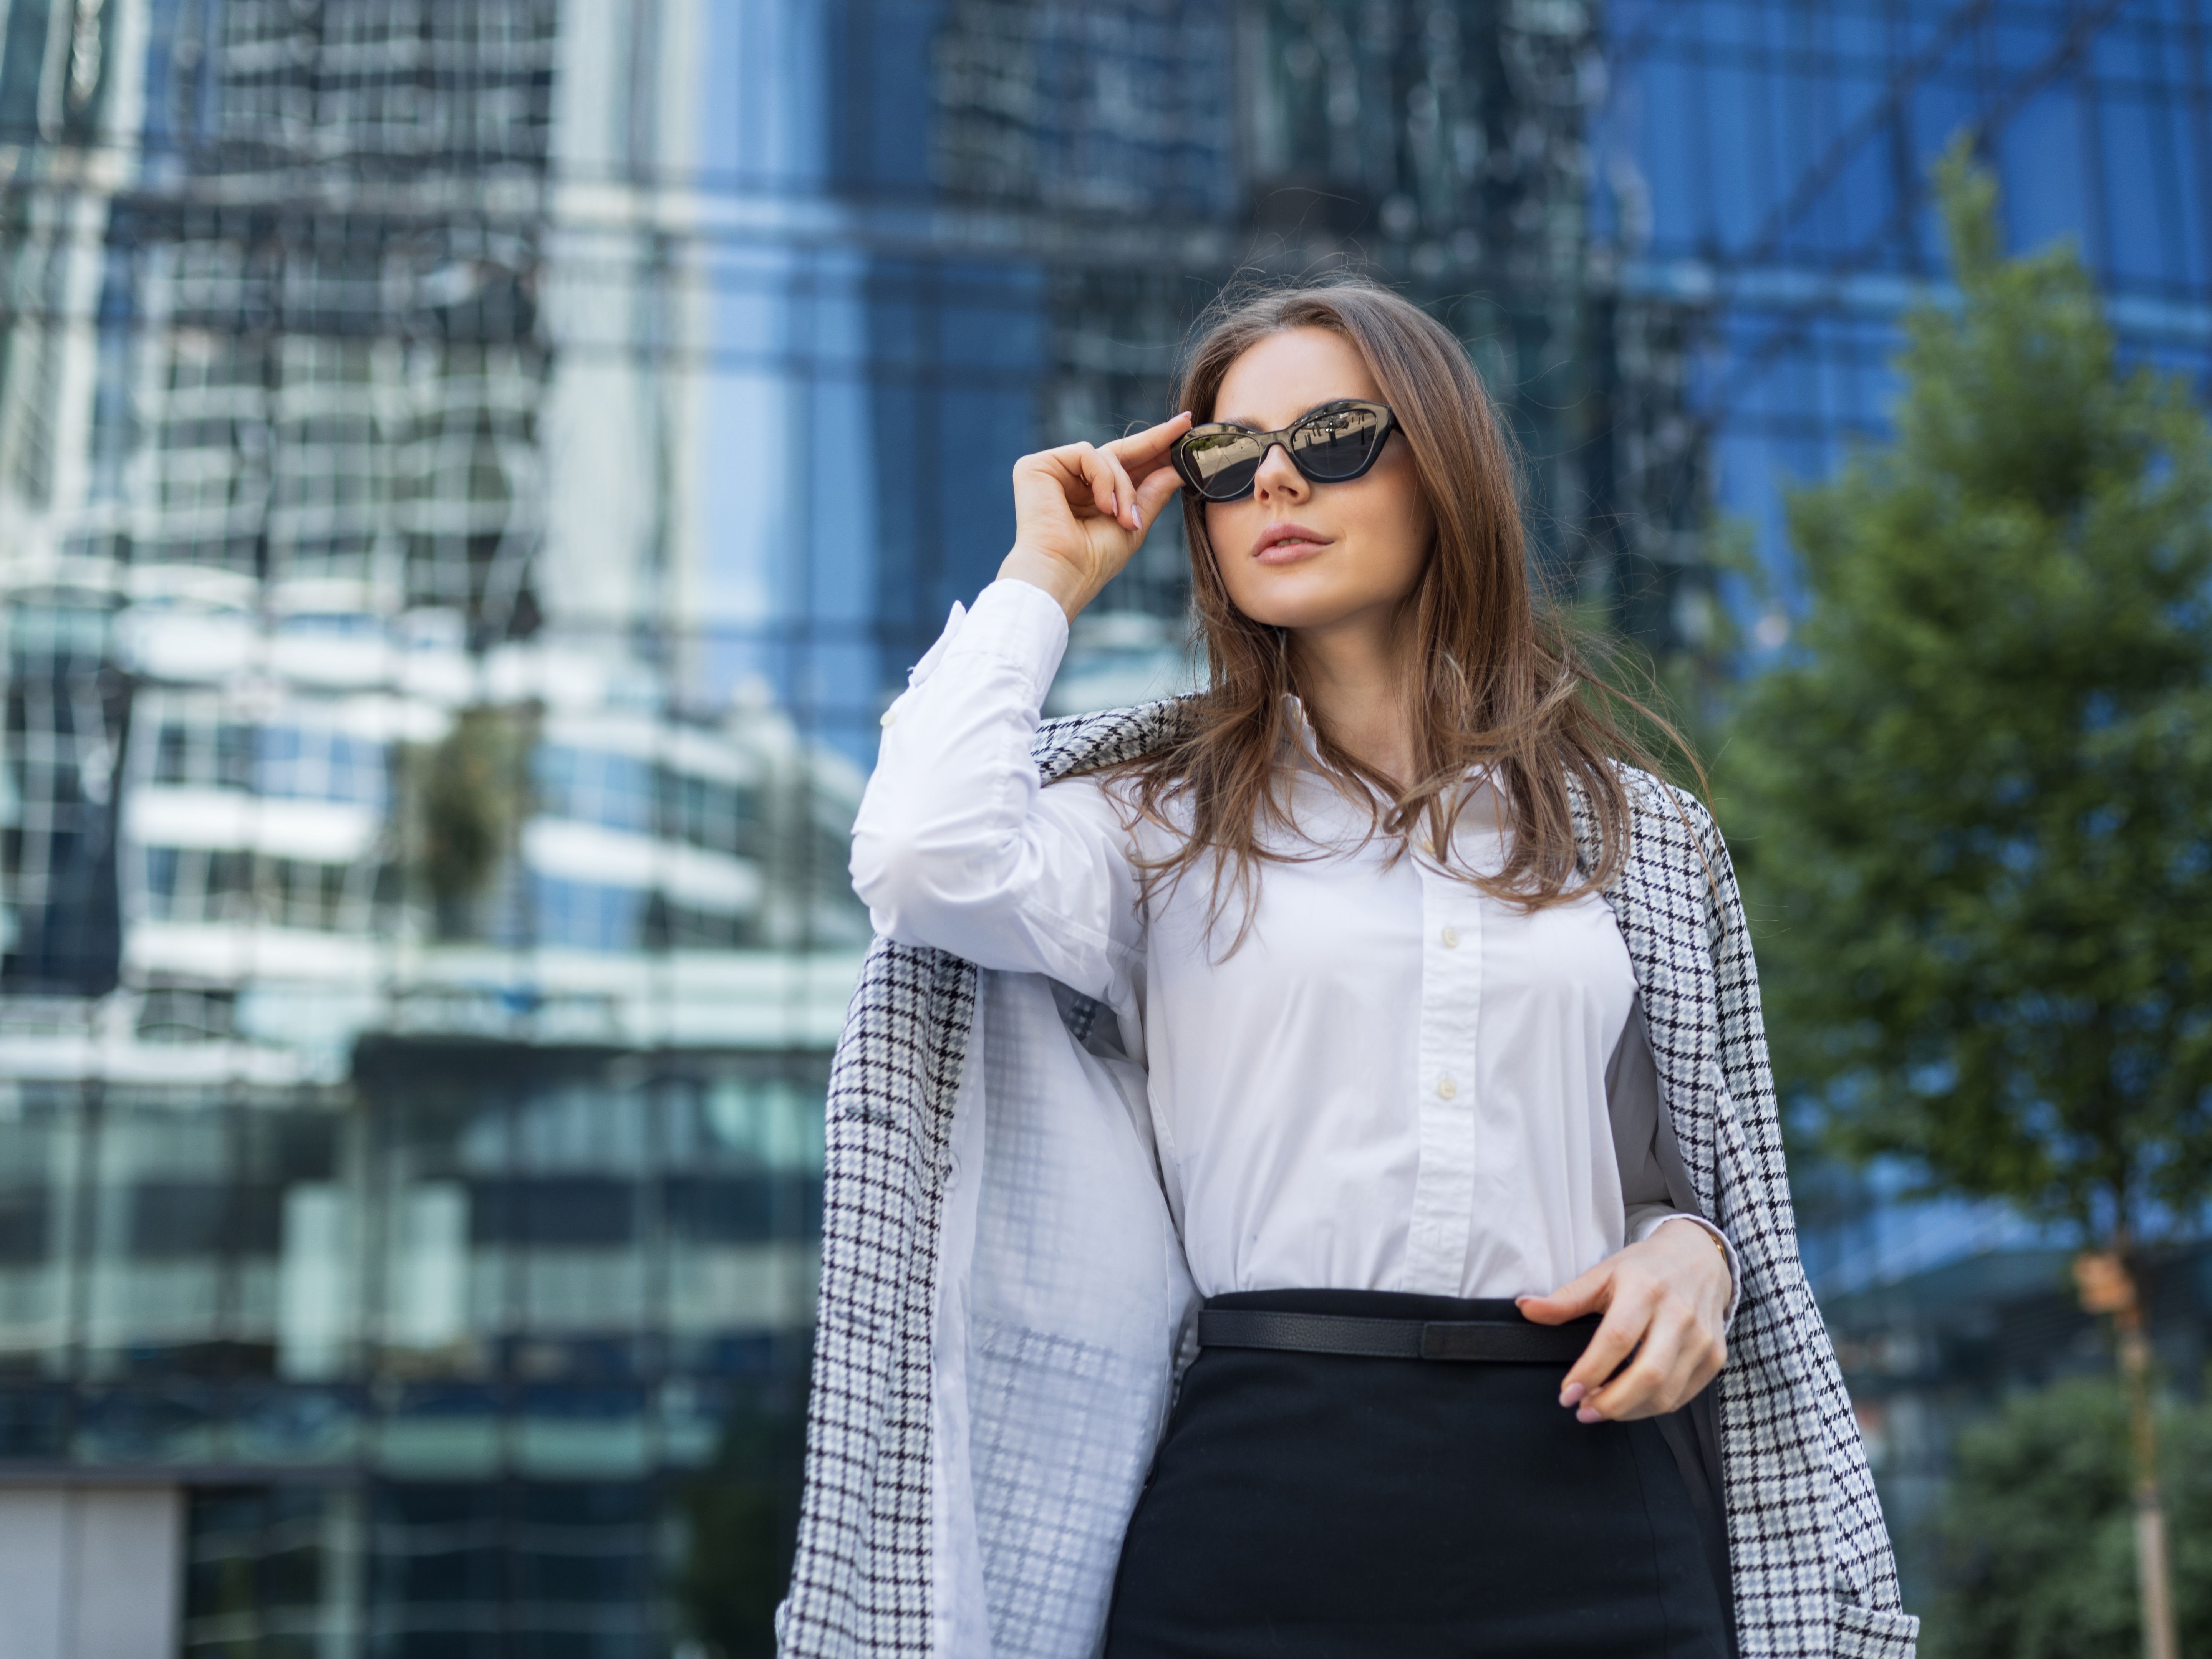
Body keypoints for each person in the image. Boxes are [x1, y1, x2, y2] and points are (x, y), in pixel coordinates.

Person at [775, 279, 1918, 1659]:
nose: (1272, 480)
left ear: (1441, 465)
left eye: (1328, 438)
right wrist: (1048, 578)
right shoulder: (1153, 820)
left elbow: (1685, 1173)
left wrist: (1697, 1260)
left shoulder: (1637, 830)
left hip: (1587, 1482)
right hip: (1266, 1493)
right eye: (1224, 458)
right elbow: (921, 857)